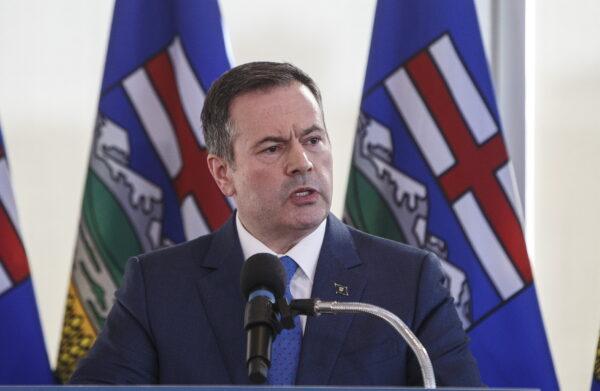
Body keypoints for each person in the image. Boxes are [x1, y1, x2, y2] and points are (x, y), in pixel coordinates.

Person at [70, 62, 482, 386]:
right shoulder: (157, 286)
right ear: (223, 173)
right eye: (273, 147)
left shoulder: (407, 282)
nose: (302, 162)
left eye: (313, 139)